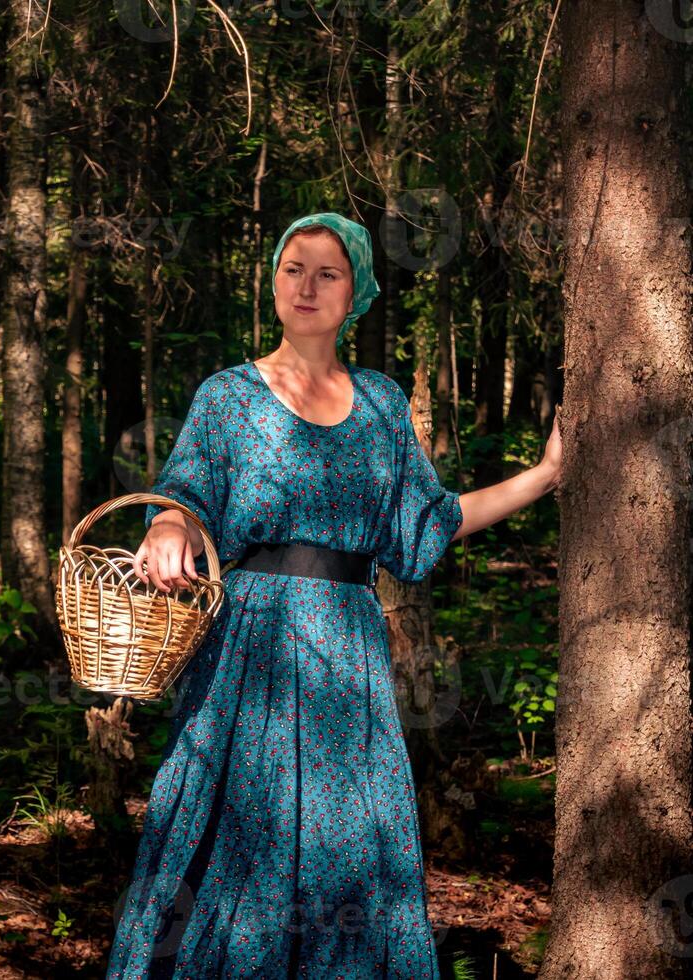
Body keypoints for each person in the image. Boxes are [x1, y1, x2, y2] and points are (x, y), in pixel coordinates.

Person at [105, 212, 563, 978]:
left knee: (345, 844)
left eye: (328, 272)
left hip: (346, 657)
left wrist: (545, 477)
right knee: (230, 834)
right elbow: (184, 492)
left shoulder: (382, 404)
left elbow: (432, 522)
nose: (307, 285)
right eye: (292, 268)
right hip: (244, 651)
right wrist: (170, 526)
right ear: (273, 283)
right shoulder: (227, 396)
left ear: (356, 293)